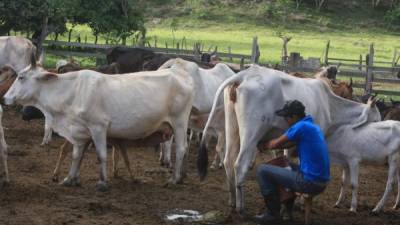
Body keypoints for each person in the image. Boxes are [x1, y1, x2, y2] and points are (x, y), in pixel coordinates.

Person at [255, 100, 330, 224]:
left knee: (262, 170)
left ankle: (272, 214)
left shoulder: (300, 126)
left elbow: (276, 143)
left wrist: (262, 145)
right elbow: (289, 145)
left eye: (286, 117)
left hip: (309, 182)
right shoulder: (312, 126)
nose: (285, 121)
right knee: (284, 163)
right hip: (321, 180)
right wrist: (273, 146)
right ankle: (288, 212)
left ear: (294, 116)